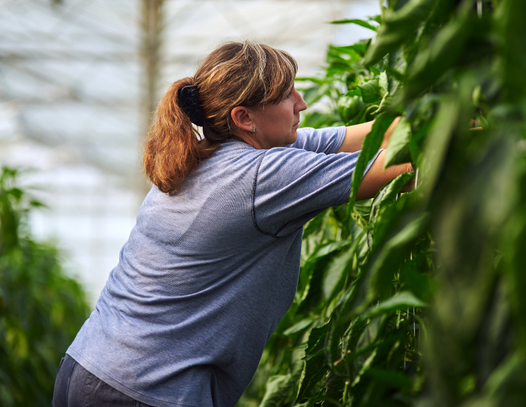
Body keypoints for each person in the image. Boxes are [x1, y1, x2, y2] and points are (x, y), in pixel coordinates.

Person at [52, 41, 412, 407]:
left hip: (88, 367)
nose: (302, 103)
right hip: (146, 389)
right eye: (287, 96)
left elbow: (373, 137)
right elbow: (394, 168)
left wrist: (436, 115)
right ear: (244, 118)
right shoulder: (258, 177)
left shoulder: (211, 156)